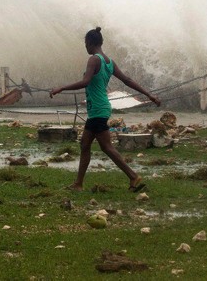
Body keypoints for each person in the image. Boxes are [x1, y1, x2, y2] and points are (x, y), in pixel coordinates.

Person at [50, 27, 161, 192]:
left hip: (97, 109)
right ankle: (78, 184)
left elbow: (86, 81)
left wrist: (61, 88)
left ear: (90, 43)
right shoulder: (109, 62)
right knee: (85, 144)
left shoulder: (94, 60)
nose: (85, 47)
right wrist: (149, 95)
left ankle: (133, 176)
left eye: (85, 44)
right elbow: (127, 80)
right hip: (100, 108)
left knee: (106, 147)